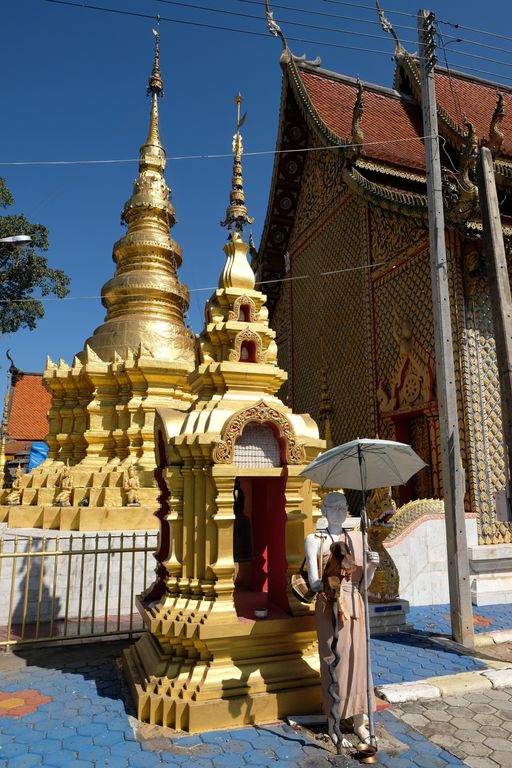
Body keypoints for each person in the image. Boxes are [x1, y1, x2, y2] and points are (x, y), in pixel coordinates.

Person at [305, 491, 379, 746]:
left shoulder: (357, 538)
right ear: (323, 509)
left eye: (342, 506)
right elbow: (314, 583)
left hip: (354, 602)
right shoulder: (314, 540)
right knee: (332, 662)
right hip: (329, 605)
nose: (337, 511)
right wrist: (333, 577)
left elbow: (364, 584)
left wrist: (372, 566)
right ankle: (334, 723)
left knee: (359, 661)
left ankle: (360, 722)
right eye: (333, 507)